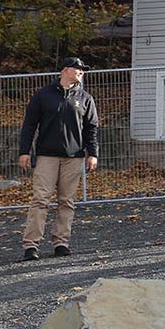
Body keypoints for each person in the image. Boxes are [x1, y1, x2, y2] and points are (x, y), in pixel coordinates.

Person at [18, 57, 100, 261]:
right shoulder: (43, 95)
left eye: (83, 70)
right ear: (65, 70)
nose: (81, 72)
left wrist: (93, 153)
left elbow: (92, 128)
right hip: (47, 156)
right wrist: (24, 151)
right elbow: (29, 125)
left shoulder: (85, 98)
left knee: (66, 201)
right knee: (40, 199)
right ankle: (31, 245)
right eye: (78, 69)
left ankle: (61, 242)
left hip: (74, 158)